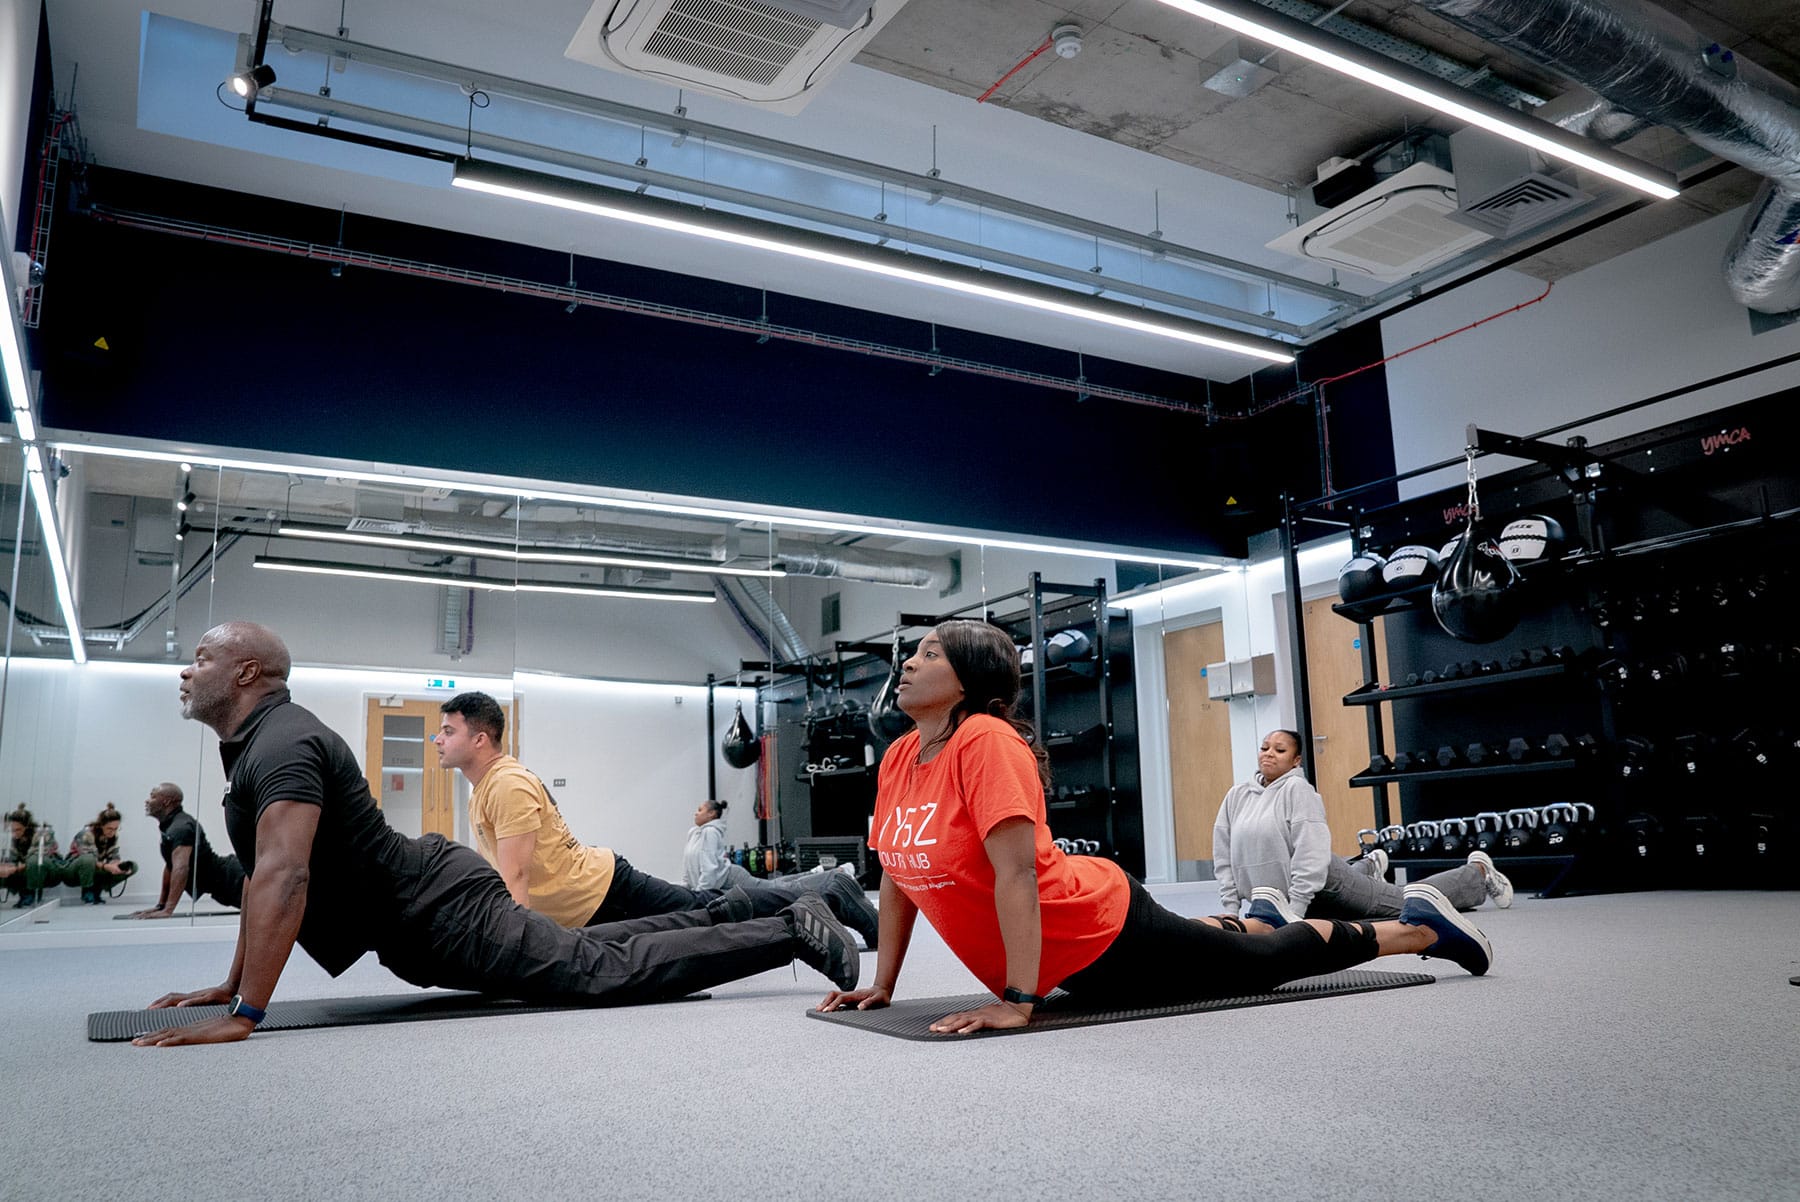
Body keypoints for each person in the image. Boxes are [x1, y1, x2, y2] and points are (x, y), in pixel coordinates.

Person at [131, 622, 859, 1048]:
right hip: (429, 913)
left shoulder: (283, 744)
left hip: (444, 910)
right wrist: (230, 986)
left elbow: (287, 877)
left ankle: (791, 926)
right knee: (605, 949)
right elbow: (266, 878)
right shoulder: (260, 744)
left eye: (201, 658)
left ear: (248, 672)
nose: (187, 672)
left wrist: (246, 1015)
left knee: (605, 973)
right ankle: (790, 908)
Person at [816, 620, 1494, 1035]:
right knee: (1205, 947)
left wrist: (1020, 1001)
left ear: (968, 680)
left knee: (1256, 969)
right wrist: (884, 985)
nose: (908, 662)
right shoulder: (903, 755)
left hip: (1094, 929)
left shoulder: (986, 741)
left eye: (931, 654)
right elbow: (900, 877)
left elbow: (1018, 874)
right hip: (1065, 952)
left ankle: (1419, 926)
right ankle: (1257, 914)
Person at [433, 692, 878, 948]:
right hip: (590, 897)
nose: (438, 739)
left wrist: (520, 947)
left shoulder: (505, 785)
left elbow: (516, 874)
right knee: (708, 908)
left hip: (603, 890)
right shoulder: (487, 787)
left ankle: (830, 891)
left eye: (448, 731)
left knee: (711, 912)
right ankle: (824, 893)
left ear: (480, 739)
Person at [1212, 730, 1513, 930]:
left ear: (1295, 760)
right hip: (1291, 896)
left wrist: (1297, 909)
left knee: (1410, 905)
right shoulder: (1238, 795)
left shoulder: (1297, 790)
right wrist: (1231, 907)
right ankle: (1369, 867)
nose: (1269, 754)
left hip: (1325, 884)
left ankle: (1478, 872)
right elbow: (1224, 854)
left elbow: (1310, 852)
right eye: (1265, 748)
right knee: (1355, 925)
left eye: (1279, 750)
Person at [130, 783, 248, 918]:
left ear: (166, 801)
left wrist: (168, 910)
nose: (147, 801)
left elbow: (181, 869)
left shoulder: (181, 827)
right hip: (227, 885)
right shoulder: (172, 825)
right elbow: (171, 866)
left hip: (236, 879)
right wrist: (161, 905)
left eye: (152, 796)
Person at [62, 804, 139, 904]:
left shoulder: (112, 837)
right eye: (109, 829)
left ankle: (97, 891)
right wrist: (108, 867)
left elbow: (114, 856)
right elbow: (90, 859)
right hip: (73, 871)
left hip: (95, 868)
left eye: (116, 829)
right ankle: (87, 892)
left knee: (133, 866)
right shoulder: (87, 834)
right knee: (88, 859)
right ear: (101, 825)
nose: (113, 832)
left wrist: (118, 866)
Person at [1, 807, 60, 907]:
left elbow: (41, 856)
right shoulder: (15, 840)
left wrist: (16, 867)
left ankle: (31, 895)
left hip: (48, 868)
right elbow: (13, 857)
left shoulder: (43, 834)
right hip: (25, 868)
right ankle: (24, 895)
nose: (15, 833)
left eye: (18, 830)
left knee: (33, 862)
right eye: (12, 830)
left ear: (26, 827)